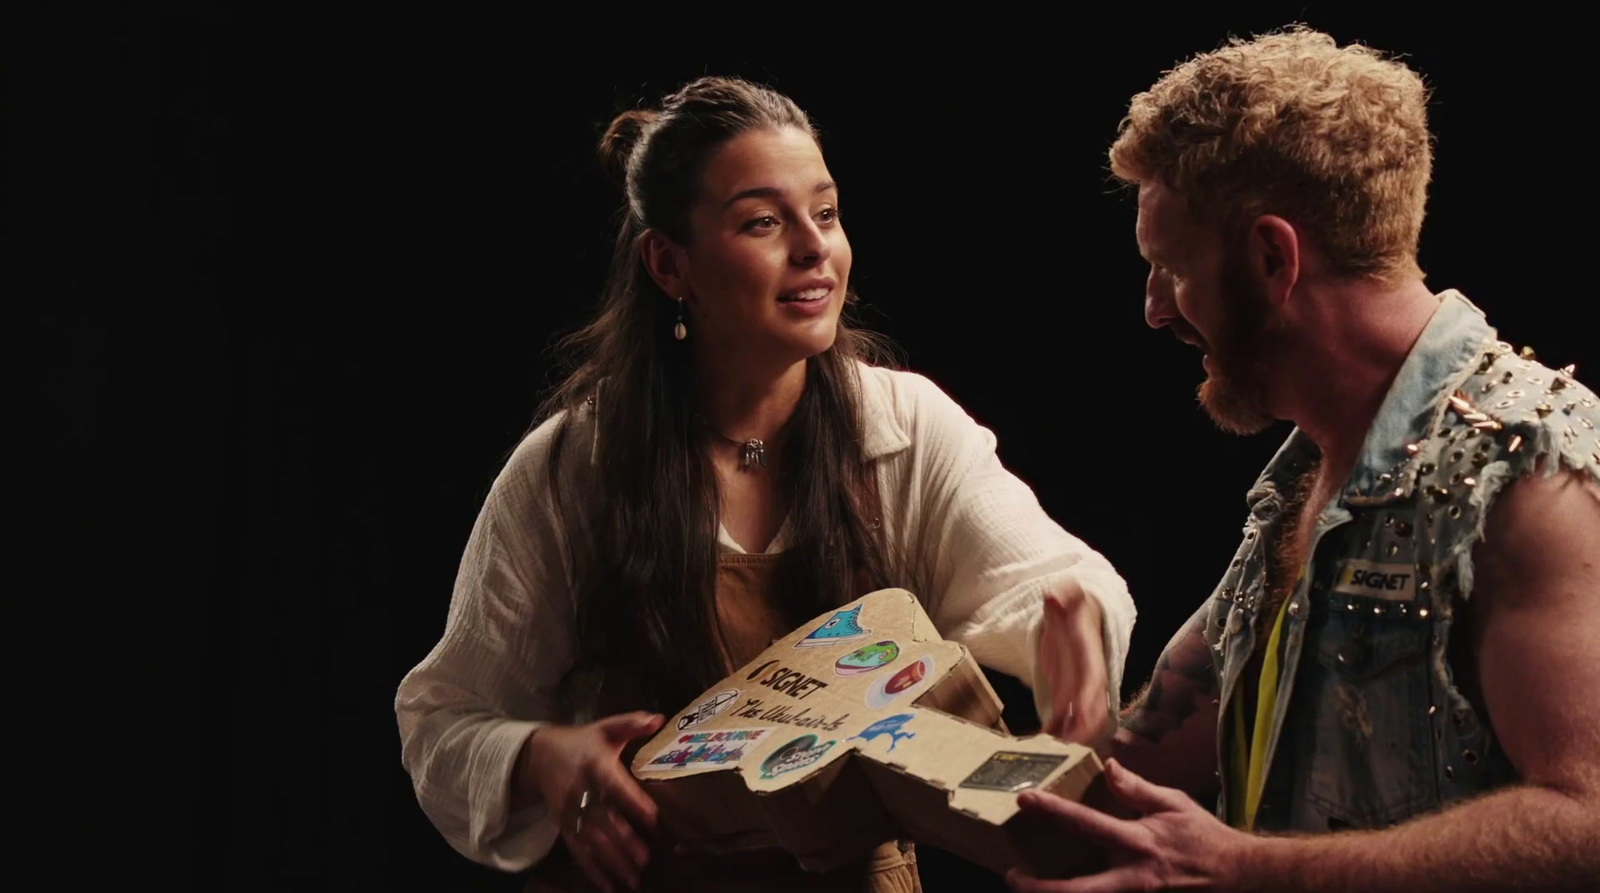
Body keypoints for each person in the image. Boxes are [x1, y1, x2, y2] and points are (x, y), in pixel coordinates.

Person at [394, 76, 1137, 893]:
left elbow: (1058, 584)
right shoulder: (578, 464)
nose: (815, 248)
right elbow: (442, 720)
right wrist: (542, 756)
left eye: (825, 212)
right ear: (669, 264)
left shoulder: (904, 428)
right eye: (763, 222)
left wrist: (1077, 646)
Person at [1006, 26, 1600, 893]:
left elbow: (1588, 818)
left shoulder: (1531, 472)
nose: (1155, 311)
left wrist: (1250, 869)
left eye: (1172, 269)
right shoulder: (1304, 473)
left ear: (1273, 258)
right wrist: (1080, 724)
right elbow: (1137, 778)